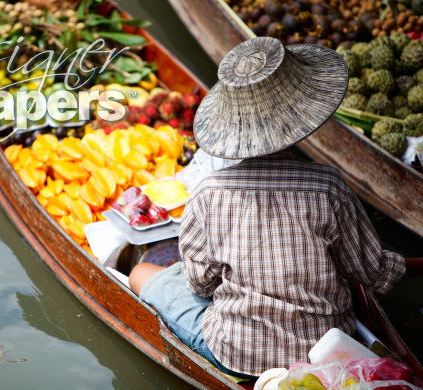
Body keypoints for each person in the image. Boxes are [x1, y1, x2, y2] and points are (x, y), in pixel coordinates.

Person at [128, 37, 418, 379]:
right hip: (323, 352)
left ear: (231, 128)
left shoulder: (208, 193)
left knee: (140, 273)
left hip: (238, 353)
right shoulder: (329, 185)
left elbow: (199, 284)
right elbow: (374, 273)